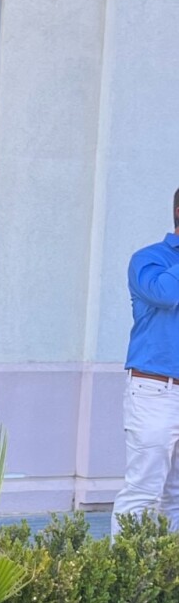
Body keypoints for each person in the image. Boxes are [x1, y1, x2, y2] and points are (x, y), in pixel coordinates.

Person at [111, 189, 179, 535]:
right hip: (156, 391)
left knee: (176, 497)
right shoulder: (148, 260)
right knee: (143, 492)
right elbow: (167, 294)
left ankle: (169, 568)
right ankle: (125, 567)